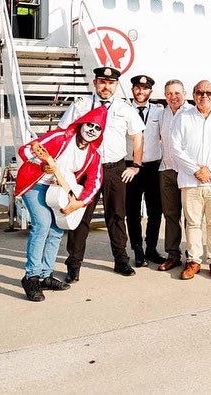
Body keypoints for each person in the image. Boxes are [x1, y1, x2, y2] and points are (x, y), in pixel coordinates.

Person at [58, 66, 145, 282]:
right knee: (80, 216)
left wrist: (135, 165)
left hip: (114, 169)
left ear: (116, 85)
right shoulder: (81, 105)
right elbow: (63, 132)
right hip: (86, 169)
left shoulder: (125, 108)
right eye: (103, 82)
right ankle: (74, 264)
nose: (107, 87)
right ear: (95, 83)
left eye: (111, 83)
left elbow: (137, 137)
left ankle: (121, 260)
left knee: (117, 215)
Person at [15, 106, 106, 301]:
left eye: (97, 128)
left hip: (59, 192)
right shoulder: (60, 137)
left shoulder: (93, 154)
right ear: (81, 124)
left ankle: (45, 275)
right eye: (89, 125)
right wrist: (42, 165)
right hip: (36, 185)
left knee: (57, 230)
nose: (92, 130)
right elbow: (25, 150)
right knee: (42, 225)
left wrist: (80, 203)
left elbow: (95, 182)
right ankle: (31, 277)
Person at [170, 80, 211, 281]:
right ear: (193, 95)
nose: (204, 96)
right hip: (190, 180)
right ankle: (194, 261)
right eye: (200, 92)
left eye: (208, 92)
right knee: (192, 223)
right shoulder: (183, 117)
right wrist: (195, 170)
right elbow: (175, 147)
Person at [124, 75, 164, 267]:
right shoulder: (124, 110)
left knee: (156, 210)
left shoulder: (159, 111)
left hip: (153, 167)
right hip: (129, 166)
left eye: (145, 88)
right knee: (132, 211)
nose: (141, 91)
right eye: (138, 88)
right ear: (132, 89)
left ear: (150, 91)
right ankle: (137, 249)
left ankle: (151, 248)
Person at [156, 79, 193, 272]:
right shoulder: (162, 114)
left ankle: (192, 256)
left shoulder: (192, 113)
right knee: (170, 215)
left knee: (190, 217)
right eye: (169, 93)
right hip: (167, 170)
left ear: (184, 94)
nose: (173, 97)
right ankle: (173, 255)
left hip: (187, 172)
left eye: (177, 93)